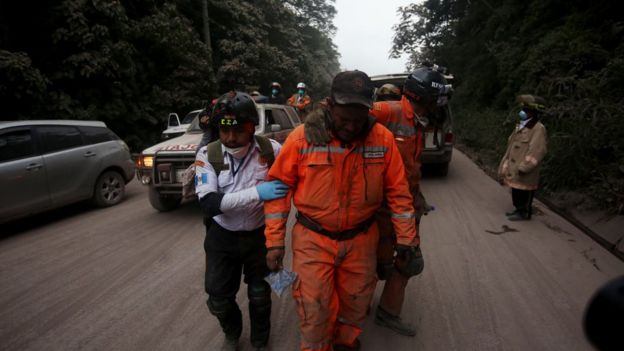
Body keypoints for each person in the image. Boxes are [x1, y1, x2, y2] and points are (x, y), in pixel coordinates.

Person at [264, 70, 419, 351]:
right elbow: (277, 191)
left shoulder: (382, 140)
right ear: (329, 105)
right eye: (344, 119)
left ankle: (346, 343)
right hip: (313, 240)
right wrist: (274, 242)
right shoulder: (302, 139)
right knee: (315, 307)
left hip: (362, 240)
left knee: (356, 302)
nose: (350, 127)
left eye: (358, 120)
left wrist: (407, 238)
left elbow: (398, 193)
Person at [195, 91, 289, 351]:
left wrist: (277, 242)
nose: (231, 137)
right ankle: (232, 334)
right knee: (218, 300)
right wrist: (257, 193)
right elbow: (209, 204)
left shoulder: (272, 151)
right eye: (224, 131)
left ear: (253, 127)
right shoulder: (207, 154)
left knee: (260, 295)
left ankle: (260, 341)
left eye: (239, 130)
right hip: (222, 237)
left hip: (260, 236)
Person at [366, 66, 449, 336]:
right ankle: (356, 308)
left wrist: (417, 197)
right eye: (437, 99)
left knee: (408, 261)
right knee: (370, 263)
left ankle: (388, 313)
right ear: (425, 96)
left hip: (406, 204)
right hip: (378, 208)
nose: (439, 105)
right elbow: (343, 110)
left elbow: (410, 167)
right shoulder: (390, 111)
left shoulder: (418, 121)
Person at [497, 94, 548, 221]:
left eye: (526, 109)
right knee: (516, 190)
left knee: (524, 191)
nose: (523, 111)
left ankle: (524, 213)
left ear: (533, 112)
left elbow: (537, 150)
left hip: (524, 168)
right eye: (523, 108)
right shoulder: (522, 125)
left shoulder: (538, 129)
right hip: (515, 167)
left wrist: (525, 167)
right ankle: (518, 209)